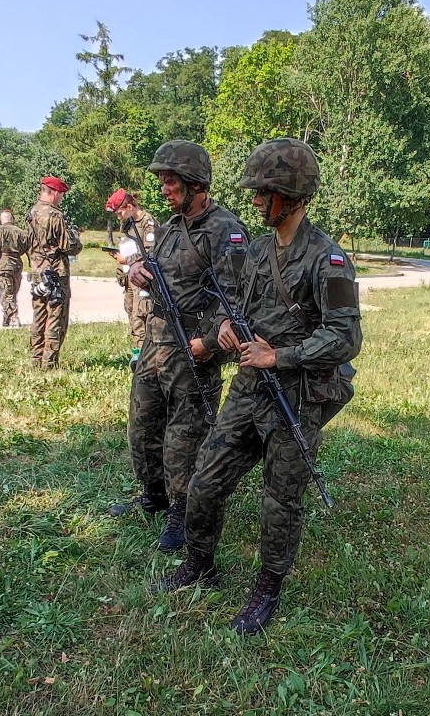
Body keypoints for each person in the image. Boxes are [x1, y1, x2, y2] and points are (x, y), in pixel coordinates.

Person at [159, 138, 362, 635]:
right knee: (205, 479)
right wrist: (228, 331)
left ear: (290, 196)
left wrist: (282, 355)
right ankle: (200, 564)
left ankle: (267, 590)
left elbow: (346, 336)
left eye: (262, 193)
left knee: (280, 499)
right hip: (249, 388)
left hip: (297, 397)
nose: (253, 202)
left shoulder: (327, 260)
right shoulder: (255, 251)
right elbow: (240, 308)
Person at [108, 140, 249, 553]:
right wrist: (137, 270)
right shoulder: (170, 227)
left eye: (171, 181)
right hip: (155, 342)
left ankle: (181, 511)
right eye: (162, 181)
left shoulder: (227, 231)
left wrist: (207, 345)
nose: (164, 189)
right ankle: (152, 495)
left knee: (183, 440)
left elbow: (236, 302)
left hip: (192, 352)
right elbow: (158, 269)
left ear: (195, 184)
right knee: (143, 426)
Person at [26, 176, 82, 370]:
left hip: (37, 272)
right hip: (56, 273)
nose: (61, 199)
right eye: (61, 195)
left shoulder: (31, 213)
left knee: (39, 316)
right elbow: (70, 246)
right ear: (55, 193)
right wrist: (76, 237)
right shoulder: (55, 215)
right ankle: (49, 363)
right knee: (56, 317)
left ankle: (35, 359)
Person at [104, 189, 158, 370]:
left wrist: (126, 258)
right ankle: (138, 353)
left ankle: (146, 359)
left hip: (143, 280)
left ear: (129, 206)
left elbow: (151, 254)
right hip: (129, 280)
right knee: (133, 316)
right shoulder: (128, 224)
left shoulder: (147, 223)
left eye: (120, 213)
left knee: (142, 317)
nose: (119, 217)